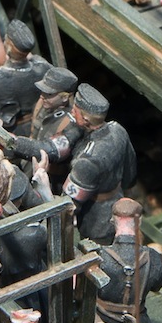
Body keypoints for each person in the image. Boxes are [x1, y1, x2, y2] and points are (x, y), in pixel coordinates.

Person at [60, 84, 136, 241]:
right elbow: (130, 170)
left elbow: (68, 206)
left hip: (95, 220)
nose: (71, 112)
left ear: (86, 120)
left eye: (75, 111)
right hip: (117, 199)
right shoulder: (118, 130)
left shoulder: (87, 161)